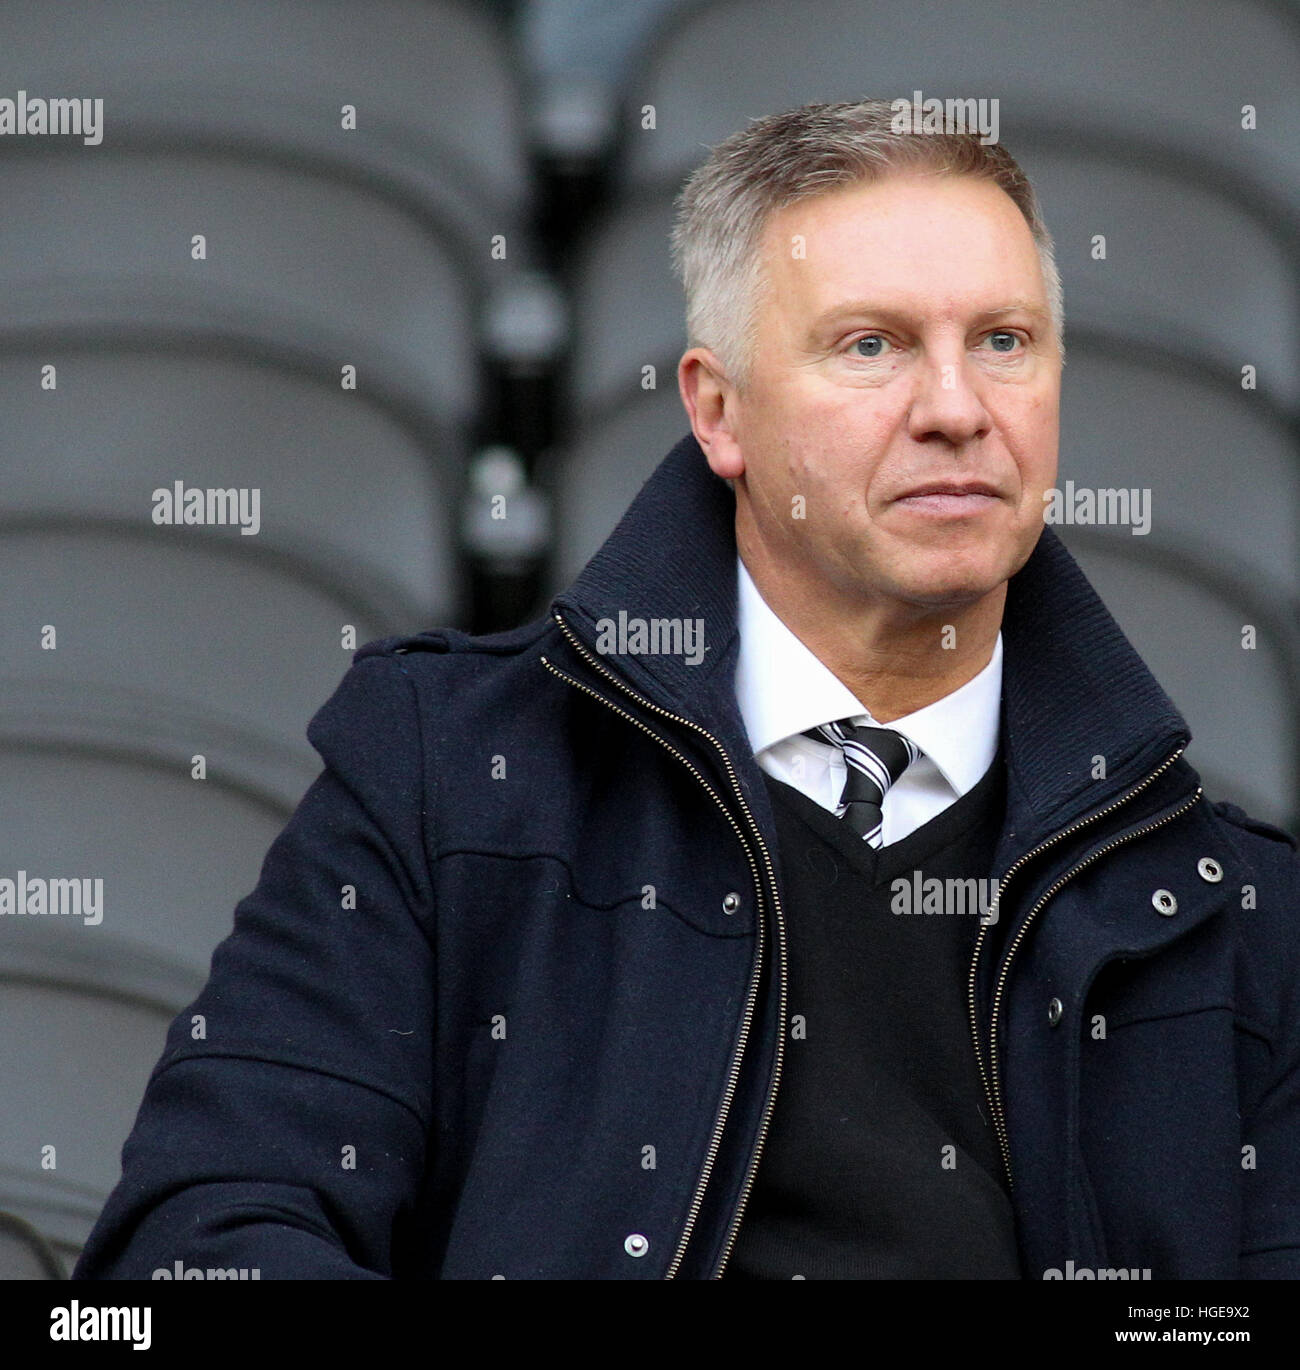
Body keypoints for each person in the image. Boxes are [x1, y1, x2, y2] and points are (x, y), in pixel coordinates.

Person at [74, 98, 1300, 1280]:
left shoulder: (1240, 921)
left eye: (1003, 342)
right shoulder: (447, 781)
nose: (955, 409)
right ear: (720, 412)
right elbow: (199, 1241)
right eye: (870, 345)